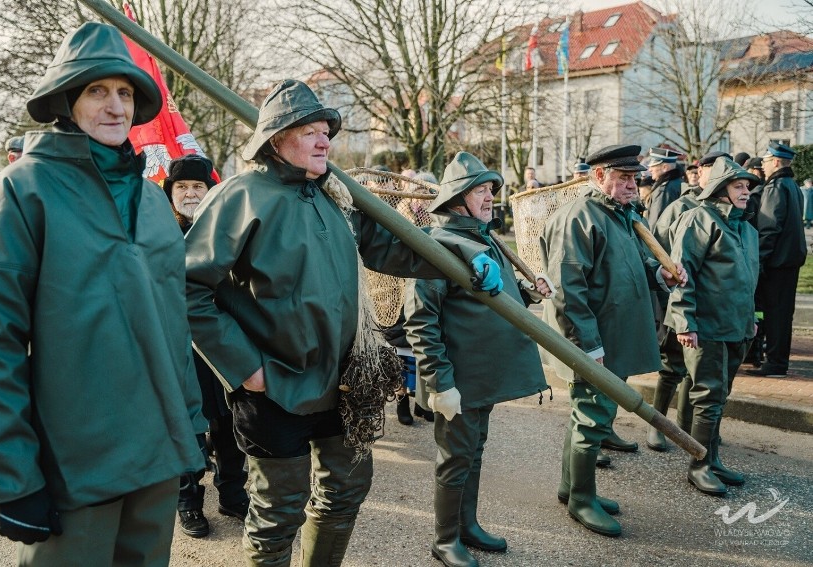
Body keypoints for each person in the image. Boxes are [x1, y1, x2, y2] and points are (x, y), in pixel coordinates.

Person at [182, 79, 500, 566]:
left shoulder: (337, 195)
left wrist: (464, 253)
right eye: (308, 131)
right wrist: (245, 367)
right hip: (273, 385)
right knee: (277, 514)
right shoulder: (239, 197)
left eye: (325, 130)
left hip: (347, 380)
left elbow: (396, 246)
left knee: (345, 493)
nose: (323, 139)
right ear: (274, 138)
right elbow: (186, 289)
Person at [0, 22, 206, 565]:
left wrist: (190, 430)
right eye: (97, 90)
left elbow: (174, 327)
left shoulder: (151, 201)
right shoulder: (19, 193)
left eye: (124, 92)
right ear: (66, 101)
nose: (115, 105)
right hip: (72, 468)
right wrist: (14, 476)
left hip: (157, 461)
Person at [404, 151, 552, 567]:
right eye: (480, 190)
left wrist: (528, 291)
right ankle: (445, 538)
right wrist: (439, 383)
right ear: (456, 201)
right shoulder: (434, 246)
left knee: (474, 451)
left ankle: (467, 525)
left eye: (490, 189)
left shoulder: (485, 240)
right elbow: (421, 321)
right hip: (458, 378)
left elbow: (493, 298)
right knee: (454, 459)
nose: (490, 197)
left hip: (483, 377)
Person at [540, 144, 686, 537]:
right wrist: (589, 349)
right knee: (593, 416)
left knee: (588, 414)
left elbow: (636, 263)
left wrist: (662, 274)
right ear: (598, 176)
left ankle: (572, 487)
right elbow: (567, 291)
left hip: (614, 336)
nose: (631, 186)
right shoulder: (579, 218)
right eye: (622, 178)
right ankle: (582, 500)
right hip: (594, 339)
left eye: (634, 178)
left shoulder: (620, 216)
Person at [162, 154, 251, 538]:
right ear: (170, 194)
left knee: (231, 422)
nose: (190, 193)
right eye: (182, 187)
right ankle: (189, 502)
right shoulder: (158, 231)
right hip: (178, 345)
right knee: (188, 427)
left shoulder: (226, 228)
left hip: (222, 340)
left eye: (198, 186)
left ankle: (232, 493)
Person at [665, 157, 760, 495]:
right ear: (721, 189)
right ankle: (699, 465)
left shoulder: (746, 228)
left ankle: (713, 458)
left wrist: (752, 320)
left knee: (721, 395)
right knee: (708, 395)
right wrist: (684, 321)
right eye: (739, 185)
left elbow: (749, 280)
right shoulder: (698, 219)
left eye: (748, 186)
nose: (746, 191)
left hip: (738, 326)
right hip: (706, 326)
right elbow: (681, 275)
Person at [647, 150, 730, 451]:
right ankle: (657, 425)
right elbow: (653, 242)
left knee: (693, 371)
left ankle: (685, 428)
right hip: (674, 293)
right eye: (710, 168)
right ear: (701, 172)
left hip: (708, 306)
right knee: (672, 364)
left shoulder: (725, 207)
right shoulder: (679, 203)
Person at [747, 142, 807, 378]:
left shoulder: (775, 186)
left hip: (777, 263)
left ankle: (775, 363)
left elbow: (770, 227)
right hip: (789, 261)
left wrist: (759, 260)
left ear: (775, 162)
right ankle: (777, 361)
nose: (762, 164)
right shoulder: (791, 184)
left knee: (775, 314)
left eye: (765, 160)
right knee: (782, 313)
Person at [643, 147, 683, 228]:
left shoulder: (664, 190)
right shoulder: (679, 182)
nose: (650, 170)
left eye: (653, 166)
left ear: (665, 167)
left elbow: (655, 223)